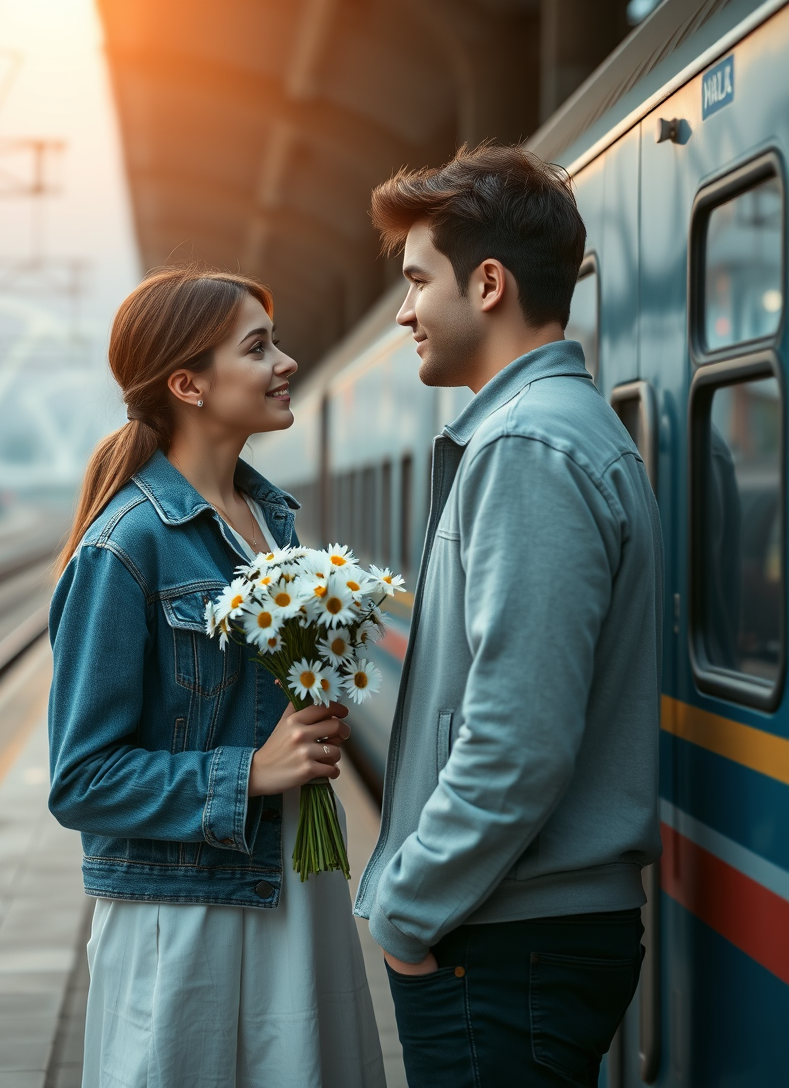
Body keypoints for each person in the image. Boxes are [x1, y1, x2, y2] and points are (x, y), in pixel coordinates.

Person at [354, 143, 663, 1087]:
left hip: (504, 938)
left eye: (417, 281)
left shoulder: (527, 445)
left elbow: (518, 739)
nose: (405, 310)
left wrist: (406, 909)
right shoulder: (546, 430)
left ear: (487, 284)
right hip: (515, 928)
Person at [48, 269, 385, 1088]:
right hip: (186, 926)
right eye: (259, 347)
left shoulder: (273, 522)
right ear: (188, 383)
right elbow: (81, 780)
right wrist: (252, 771)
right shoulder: (125, 547)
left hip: (296, 895)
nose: (288, 362)